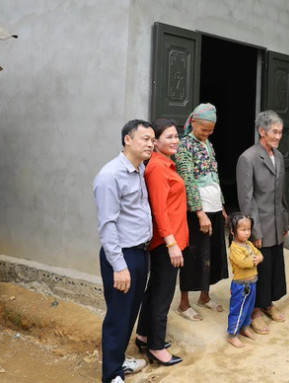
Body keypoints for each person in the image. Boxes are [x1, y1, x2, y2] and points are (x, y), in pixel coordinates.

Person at [93, 119, 154, 383]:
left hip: (141, 252)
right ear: (127, 139)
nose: (151, 144)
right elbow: (107, 226)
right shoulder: (110, 175)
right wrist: (119, 265)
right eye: (145, 139)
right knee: (118, 316)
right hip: (122, 255)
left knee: (130, 311)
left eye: (153, 140)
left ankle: (119, 361)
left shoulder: (138, 169)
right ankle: (111, 375)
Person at [135, 119, 187, 366]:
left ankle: (144, 335)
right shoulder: (156, 167)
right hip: (166, 242)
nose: (175, 140)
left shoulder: (165, 164)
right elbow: (159, 211)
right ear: (155, 141)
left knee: (155, 290)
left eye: (176, 136)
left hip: (170, 240)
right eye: (169, 137)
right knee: (162, 295)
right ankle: (156, 347)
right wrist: (171, 244)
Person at [236, 110, 289, 334]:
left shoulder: (277, 156)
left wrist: (285, 222)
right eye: (274, 132)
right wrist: (253, 230)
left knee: (274, 266)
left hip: (277, 223)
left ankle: (268, 304)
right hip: (260, 225)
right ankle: (255, 311)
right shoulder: (248, 158)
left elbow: (282, 193)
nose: (278, 136)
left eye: (280, 132)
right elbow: (246, 199)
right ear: (262, 131)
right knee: (260, 269)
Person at [175, 103, 228, 321]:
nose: (206, 133)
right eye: (203, 129)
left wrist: (222, 205)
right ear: (193, 122)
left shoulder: (208, 144)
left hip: (214, 206)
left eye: (210, 130)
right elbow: (187, 180)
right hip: (197, 210)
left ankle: (204, 296)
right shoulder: (184, 145)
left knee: (212, 254)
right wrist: (199, 212)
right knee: (193, 255)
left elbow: (215, 175)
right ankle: (184, 302)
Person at [226, 212, 263, 348]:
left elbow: (259, 254)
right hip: (241, 286)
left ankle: (244, 327)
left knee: (248, 308)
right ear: (232, 231)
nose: (247, 233)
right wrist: (255, 260)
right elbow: (244, 263)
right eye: (243, 230)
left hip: (252, 283)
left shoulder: (248, 244)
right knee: (238, 309)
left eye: (248, 229)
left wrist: (259, 257)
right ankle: (232, 334)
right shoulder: (234, 248)